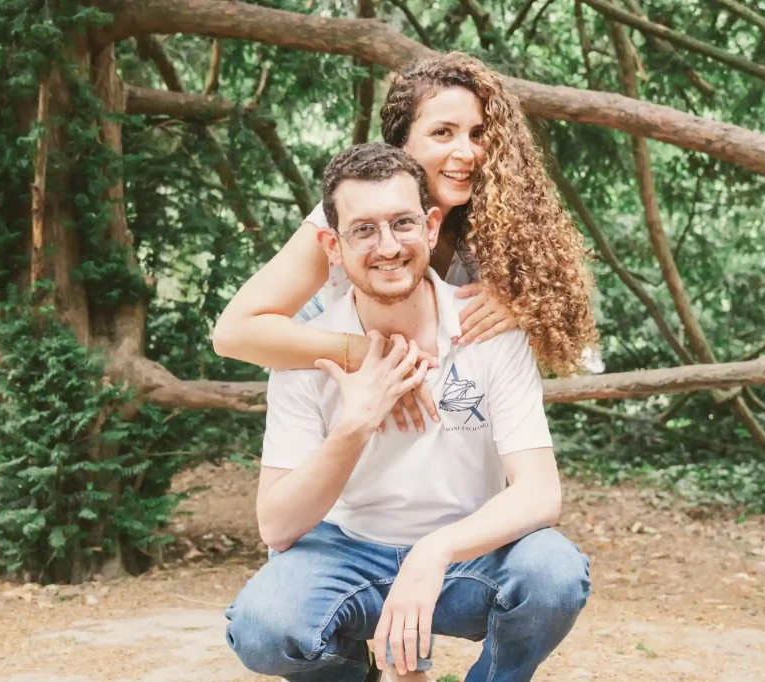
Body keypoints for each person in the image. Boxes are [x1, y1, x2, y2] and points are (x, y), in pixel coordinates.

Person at [223, 143, 591, 682]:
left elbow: (540, 493)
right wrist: (355, 425)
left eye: (402, 223)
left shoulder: (486, 329)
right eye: (364, 230)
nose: (389, 247)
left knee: (554, 573)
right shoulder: (308, 350)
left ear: (432, 227)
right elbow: (277, 526)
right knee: (265, 626)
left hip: (465, 560)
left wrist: (434, 551)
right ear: (332, 245)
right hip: (346, 554)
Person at [211, 52, 598, 431]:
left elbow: (564, 312)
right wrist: (373, 356)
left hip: (448, 423)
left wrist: (521, 305)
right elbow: (234, 333)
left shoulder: (499, 219)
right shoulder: (351, 217)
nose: (466, 152)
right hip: (337, 403)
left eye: (478, 134)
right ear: (401, 145)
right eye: (442, 132)